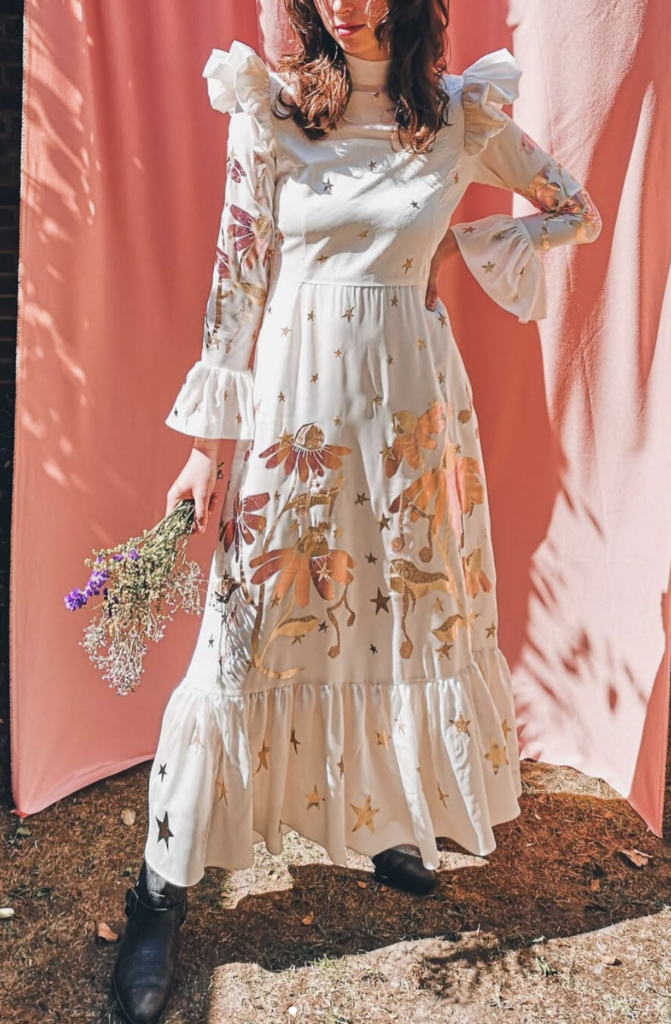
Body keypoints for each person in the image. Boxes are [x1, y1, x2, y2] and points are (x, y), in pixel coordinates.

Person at [112, 1, 602, 1021]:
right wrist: (207, 454)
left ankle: (382, 821)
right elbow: (236, 281)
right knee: (234, 649)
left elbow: (571, 205)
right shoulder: (273, 106)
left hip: (414, 422)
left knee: (400, 619)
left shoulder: (458, 115)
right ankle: (160, 890)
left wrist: (448, 255)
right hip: (296, 418)